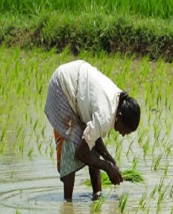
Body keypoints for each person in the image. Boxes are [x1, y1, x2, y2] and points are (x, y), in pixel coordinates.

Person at [44, 60, 141, 202]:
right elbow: (81, 152)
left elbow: (93, 138)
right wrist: (107, 167)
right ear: (119, 117)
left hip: (75, 80)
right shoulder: (106, 115)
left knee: (91, 145)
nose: (122, 134)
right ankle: (67, 204)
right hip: (62, 87)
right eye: (125, 131)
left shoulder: (116, 101)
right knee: (72, 146)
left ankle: (97, 196)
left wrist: (110, 161)